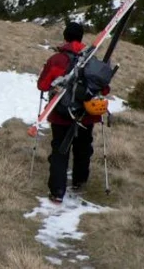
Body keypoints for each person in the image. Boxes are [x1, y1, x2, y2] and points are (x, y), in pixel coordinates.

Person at [37, 22, 108, 204]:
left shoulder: (56, 60)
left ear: (65, 36)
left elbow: (42, 85)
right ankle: (79, 183)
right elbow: (104, 89)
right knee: (83, 148)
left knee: (60, 151)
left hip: (61, 113)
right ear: (81, 37)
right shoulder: (92, 60)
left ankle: (57, 192)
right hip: (86, 113)